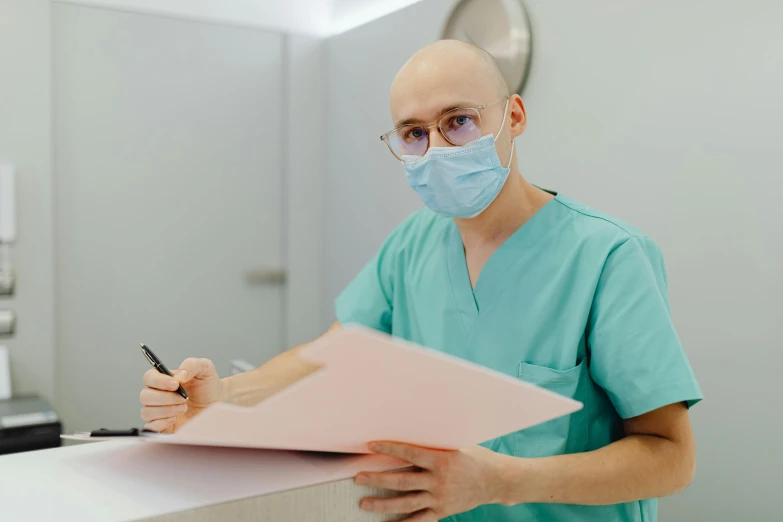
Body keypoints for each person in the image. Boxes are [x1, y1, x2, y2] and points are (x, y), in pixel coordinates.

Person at [139, 40, 702, 522]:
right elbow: (339, 352)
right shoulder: (413, 245)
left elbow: (671, 458)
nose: (434, 149)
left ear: (514, 117)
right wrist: (222, 397)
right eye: (412, 134)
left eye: (458, 121)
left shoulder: (607, 256)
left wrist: (502, 482)